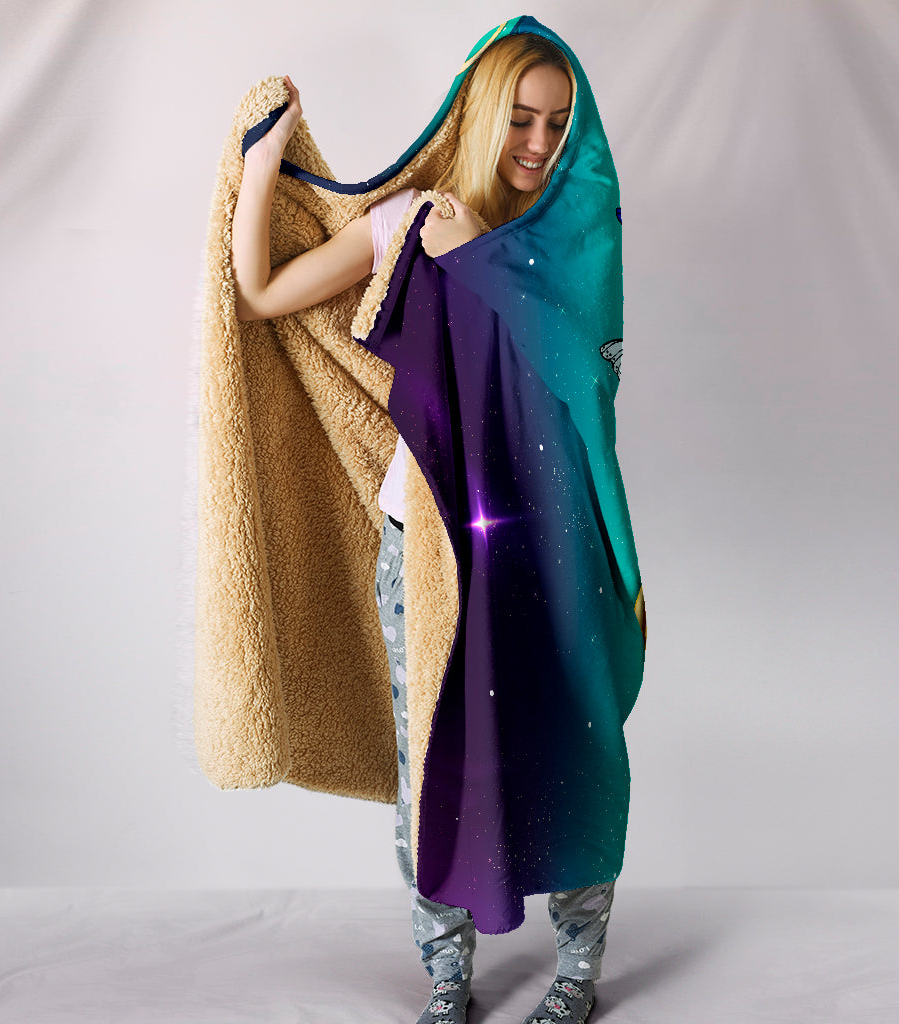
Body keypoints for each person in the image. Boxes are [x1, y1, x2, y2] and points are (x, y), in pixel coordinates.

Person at [225, 27, 639, 1024]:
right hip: (427, 549)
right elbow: (263, 294)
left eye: (558, 124)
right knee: (437, 762)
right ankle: (447, 976)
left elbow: (582, 382)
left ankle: (577, 972)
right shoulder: (409, 221)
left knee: (572, 745)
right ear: (479, 116)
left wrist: (483, 265)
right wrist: (262, 164)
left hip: (552, 547)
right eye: (519, 118)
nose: (537, 142)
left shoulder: (573, 240)